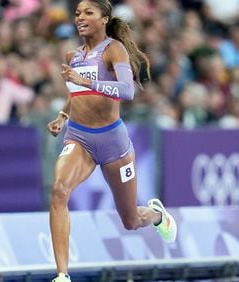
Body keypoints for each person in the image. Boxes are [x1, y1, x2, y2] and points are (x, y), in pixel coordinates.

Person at [46, 1, 177, 281]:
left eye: (88, 12)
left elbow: (127, 91)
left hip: (113, 144)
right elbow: (76, 95)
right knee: (59, 190)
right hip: (79, 138)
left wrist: (87, 81)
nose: (80, 17)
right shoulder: (74, 55)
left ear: (104, 19)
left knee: (130, 221)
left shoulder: (113, 50)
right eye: (78, 13)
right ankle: (62, 275)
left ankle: (155, 215)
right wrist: (62, 116)